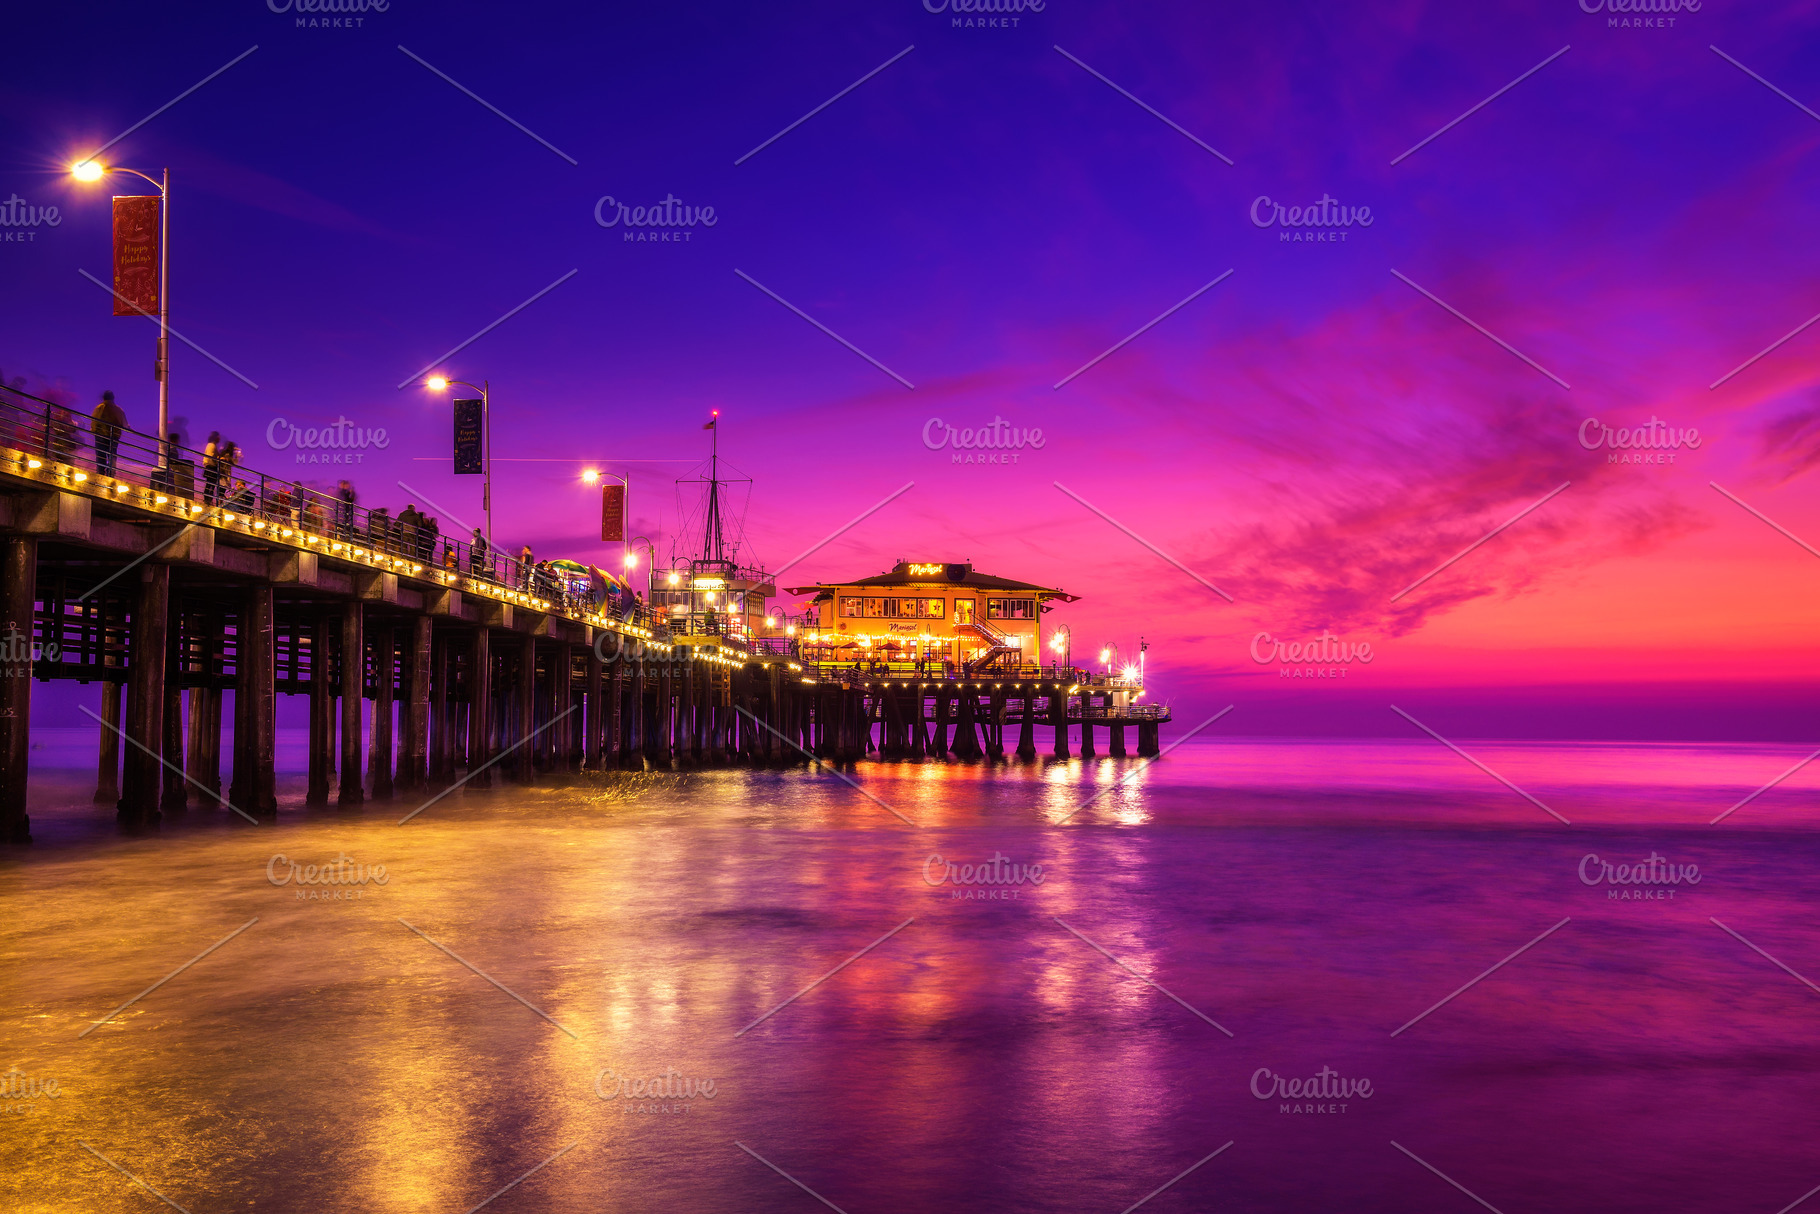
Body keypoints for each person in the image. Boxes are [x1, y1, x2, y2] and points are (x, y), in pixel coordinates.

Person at [91, 391, 126, 477]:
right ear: (113, 398)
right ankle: (111, 475)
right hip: (113, 437)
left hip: (100, 437)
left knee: (100, 457)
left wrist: (94, 431)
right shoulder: (118, 410)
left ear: (104, 398)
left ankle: (100, 475)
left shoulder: (99, 408)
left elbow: (94, 422)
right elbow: (124, 424)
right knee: (112, 457)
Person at [202, 432, 223, 504]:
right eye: (218, 437)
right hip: (211, 467)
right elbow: (211, 456)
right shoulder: (212, 445)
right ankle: (207, 500)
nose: (219, 439)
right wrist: (218, 459)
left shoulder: (211, 445)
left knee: (210, 485)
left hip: (210, 466)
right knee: (210, 485)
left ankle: (208, 500)